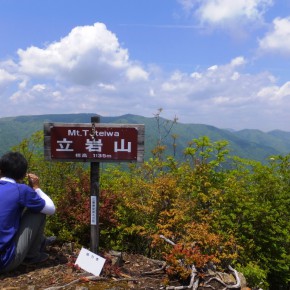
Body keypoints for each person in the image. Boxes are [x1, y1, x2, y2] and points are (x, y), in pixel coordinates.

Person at [0, 152, 56, 273]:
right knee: (37, 211)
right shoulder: (21, 190)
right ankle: (32, 256)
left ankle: (42, 241)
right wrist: (36, 188)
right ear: (24, 175)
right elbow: (50, 209)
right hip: (4, 261)